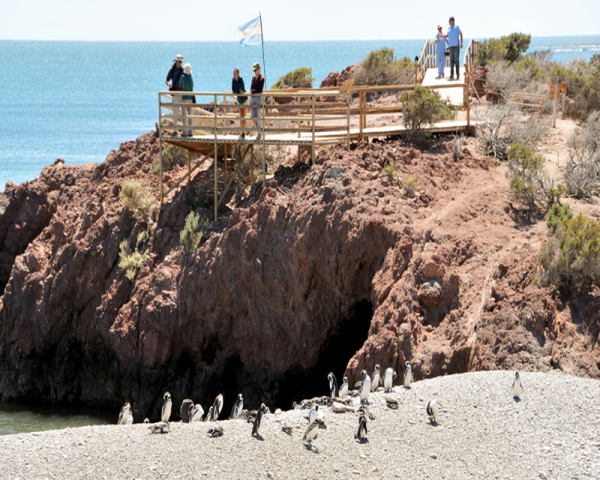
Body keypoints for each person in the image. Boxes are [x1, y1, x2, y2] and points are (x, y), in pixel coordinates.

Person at [166, 54, 184, 136]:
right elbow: (166, 80)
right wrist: (168, 84)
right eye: (179, 61)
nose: (180, 63)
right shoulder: (172, 70)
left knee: (184, 112)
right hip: (175, 93)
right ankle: (175, 130)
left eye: (181, 62)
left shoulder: (183, 70)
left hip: (182, 93)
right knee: (175, 112)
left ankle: (184, 130)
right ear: (176, 61)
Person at [250, 62, 265, 140]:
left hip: (258, 98)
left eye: (256, 70)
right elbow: (252, 88)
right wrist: (253, 91)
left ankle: (259, 134)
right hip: (253, 99)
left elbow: (259, 90)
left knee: (258, 116)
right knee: (253, 117)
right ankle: (260, 130)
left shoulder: (262, 79)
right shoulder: (253, 78)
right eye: (254, 70)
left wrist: (253, 91)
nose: (255, 72)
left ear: (259, 69)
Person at [179, 63, 195, 137]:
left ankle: (185, 132)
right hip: (191, 98)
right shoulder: (191, 77)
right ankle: (191, 132)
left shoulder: (183, 76)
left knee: (184, 115)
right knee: (190, 115)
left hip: (184, 98)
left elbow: (179, 85)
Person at [232, 67, 248, 139]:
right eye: (234, 74)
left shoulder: (241, 79)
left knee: (244, 117)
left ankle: (244, 132)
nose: (234, 75)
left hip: (244, 99)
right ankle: (242, 132)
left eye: (235, 74)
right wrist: (238, 91)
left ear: (238, 74)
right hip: (239, 100)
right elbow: (233, 90)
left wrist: (238, 91)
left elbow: (242, 89)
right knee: (241, 117)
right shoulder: (233, 81)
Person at [447, 16, 463, 81]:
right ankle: (451, 75)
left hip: (456, 46)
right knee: (451, 61)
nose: (450, 22)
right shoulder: (449, 29)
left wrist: (461, 43)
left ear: (453, 21)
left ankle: (457, 74)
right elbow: (448, 36)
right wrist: (442, 36)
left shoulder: (457, 27)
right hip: (451, 46)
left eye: (451, 21)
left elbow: (461, 34)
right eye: (449, 21)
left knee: (456, 60)